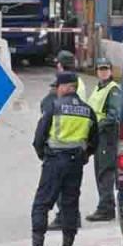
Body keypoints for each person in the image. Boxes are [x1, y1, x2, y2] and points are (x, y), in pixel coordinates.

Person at [25, 72, 99, 246]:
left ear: (67, 87)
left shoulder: (54, 108)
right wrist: (83, 157)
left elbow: (39, 138)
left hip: (54, 162)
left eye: (58, 87)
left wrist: (45, 155)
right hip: (75, 165)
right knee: (70, 206)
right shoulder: (88, 111)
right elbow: (94, 142)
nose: (56, 90)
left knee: (42, 204)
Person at [45, 50, 87, 230]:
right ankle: (70, 216)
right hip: (78, 143)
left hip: (63, 142)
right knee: (71, 188)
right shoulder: (80, 83)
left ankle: (66, 217)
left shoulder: (64, 85)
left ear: (60, 65)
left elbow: (49, 108)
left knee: (61, 186)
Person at [85, 58, 123, 222]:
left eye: (106, 69)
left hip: (107, 136)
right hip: (98, 136)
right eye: (100, 69)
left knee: (105, 172)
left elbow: (113, 116)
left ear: (111, 71)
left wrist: (97, 127)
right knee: (100, 170)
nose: (103, 71)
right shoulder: (98, 88)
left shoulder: (113, 90)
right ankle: (105, 205)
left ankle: (106, 208)